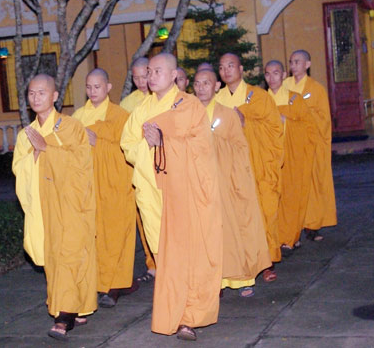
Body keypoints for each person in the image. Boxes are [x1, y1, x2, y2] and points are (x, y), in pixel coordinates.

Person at [121, 53, 222, 341]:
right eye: (149, 71)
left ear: (174, 75)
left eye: (157, 71)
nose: (151, 76)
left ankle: (188, 317)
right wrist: (149, 145)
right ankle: (174, 310)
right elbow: (127, 145)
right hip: (150, 190)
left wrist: (163, 143)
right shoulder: (141, 109)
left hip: (183, 191)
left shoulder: (189, 106)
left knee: (187, 253)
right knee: (164, 256)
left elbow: (201, 147)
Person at [12, 74, 97, 341]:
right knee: (55, 260)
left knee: (70, 256)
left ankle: (64, 316)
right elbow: (19, 169)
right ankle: (76, 305)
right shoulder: (25, 135)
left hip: (71, 203)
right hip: (43, 206)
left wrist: (47, 149)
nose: (36, 97)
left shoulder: (71, 127)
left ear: (55, 96)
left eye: (42, 92)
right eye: (31, 93)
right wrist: (37, 152)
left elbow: (82, 164)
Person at [193, 69, 272, 298]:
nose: (201, 88)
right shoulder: (189, 114)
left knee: (233, 230)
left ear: (216, 86)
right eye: (197, 83)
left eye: (206, 83)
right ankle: (214, 281)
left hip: (226, 182)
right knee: (206, 234)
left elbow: (240, 148)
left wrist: (214, 141)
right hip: (200, 183)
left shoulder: (227, 115)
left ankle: (241, 278)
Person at [214, 53, 283, 281]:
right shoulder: (216, 100)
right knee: (237, 216)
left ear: (241, 69)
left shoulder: (259, 97)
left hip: (257, 163)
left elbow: (275, 128)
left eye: (230, 66)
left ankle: (267, 261)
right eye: (222, 67)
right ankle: (242, 262)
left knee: (264, 212)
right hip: (230, 168)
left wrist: (246, 123)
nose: (226, 71)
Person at [72, 68, 136, 308]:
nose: (92, 91)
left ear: (108, 87)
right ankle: (95, 282)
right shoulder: (78, 117)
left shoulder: (121, 116)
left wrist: (98, 142)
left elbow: (127, 150)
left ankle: (114, 285)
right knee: (93, 236)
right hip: (87, 185)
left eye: (97, 87)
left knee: (116, 234)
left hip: (114, 185)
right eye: (89, 87)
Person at [281, 50, 337, 244]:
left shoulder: (316, 89)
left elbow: (324, 119)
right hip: (291, 144)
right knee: (291, 186)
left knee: (312, 185)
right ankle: (292, 227)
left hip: (310, 143)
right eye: (291, 62)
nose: (293, 65)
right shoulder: (285, 85)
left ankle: (312, 226)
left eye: (297, 62)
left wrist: (301, 113)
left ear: (307, 65)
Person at [119, 56, 156, 282]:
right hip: (139, 166)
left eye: (145, 76)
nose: (141, 82)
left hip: (163, 165)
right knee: (144, 218)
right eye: (136, 78)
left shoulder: (161, 97)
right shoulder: (127, 104)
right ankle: (152, 264)